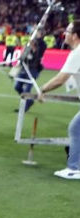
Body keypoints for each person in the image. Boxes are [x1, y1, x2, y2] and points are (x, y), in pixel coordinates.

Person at [35, 20, 80, 180]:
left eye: (67, 31)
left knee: (75, 129)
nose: (64, 34)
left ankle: (74, 168)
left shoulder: (77, 53)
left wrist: (43, 89)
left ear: (75, 35)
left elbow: (60, 79)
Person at [14, 34, 47, 112]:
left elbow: (44, 45)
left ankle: (24, 107)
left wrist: (39, 37)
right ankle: (29, 101)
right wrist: (19, 63)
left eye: (32, 41)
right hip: (24, 70)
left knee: (27, 90)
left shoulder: (39, 50)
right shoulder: (27, 49)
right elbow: (22, 59)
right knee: (17, 86)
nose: (31, 42)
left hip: (33, 71)